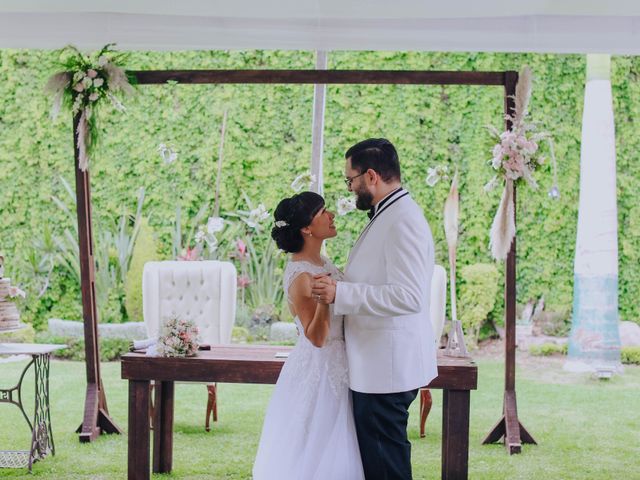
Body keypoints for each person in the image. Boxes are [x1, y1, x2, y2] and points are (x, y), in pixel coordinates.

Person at [312, 138, 438, 480]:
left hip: (387, 367)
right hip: (377, 363)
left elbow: (408, 296)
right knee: (379, 462)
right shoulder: (389, 213)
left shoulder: (403, 220)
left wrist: (342, 293)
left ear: (370, 177)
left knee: (385, 465)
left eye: (350, 180)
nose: (350, 189)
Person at [253, 191, 364, 480]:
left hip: (343, 362)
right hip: (321, 369)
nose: (332, 215)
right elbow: (316, 338)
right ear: (306, 228)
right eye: (323, 212)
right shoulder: (302, 277)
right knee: (319, 445)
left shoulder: (323, 263)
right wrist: (326, 302)